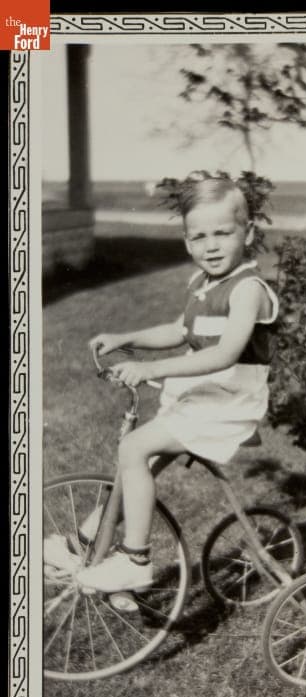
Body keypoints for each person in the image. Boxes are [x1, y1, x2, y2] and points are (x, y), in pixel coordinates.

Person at [70, 171, 278, 592]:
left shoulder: (247, 290)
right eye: (199, 237)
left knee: (133, 448)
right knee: (140, 461)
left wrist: (151, 369)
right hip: (204, 399)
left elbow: (225, 353)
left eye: (223, 232)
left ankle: (135, 560)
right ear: (187, 242)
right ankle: (89, 538)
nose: (211, 245)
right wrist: (128, 339)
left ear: (249, 232)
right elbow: (180, 331)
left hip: (228, 404)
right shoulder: (202, 284)